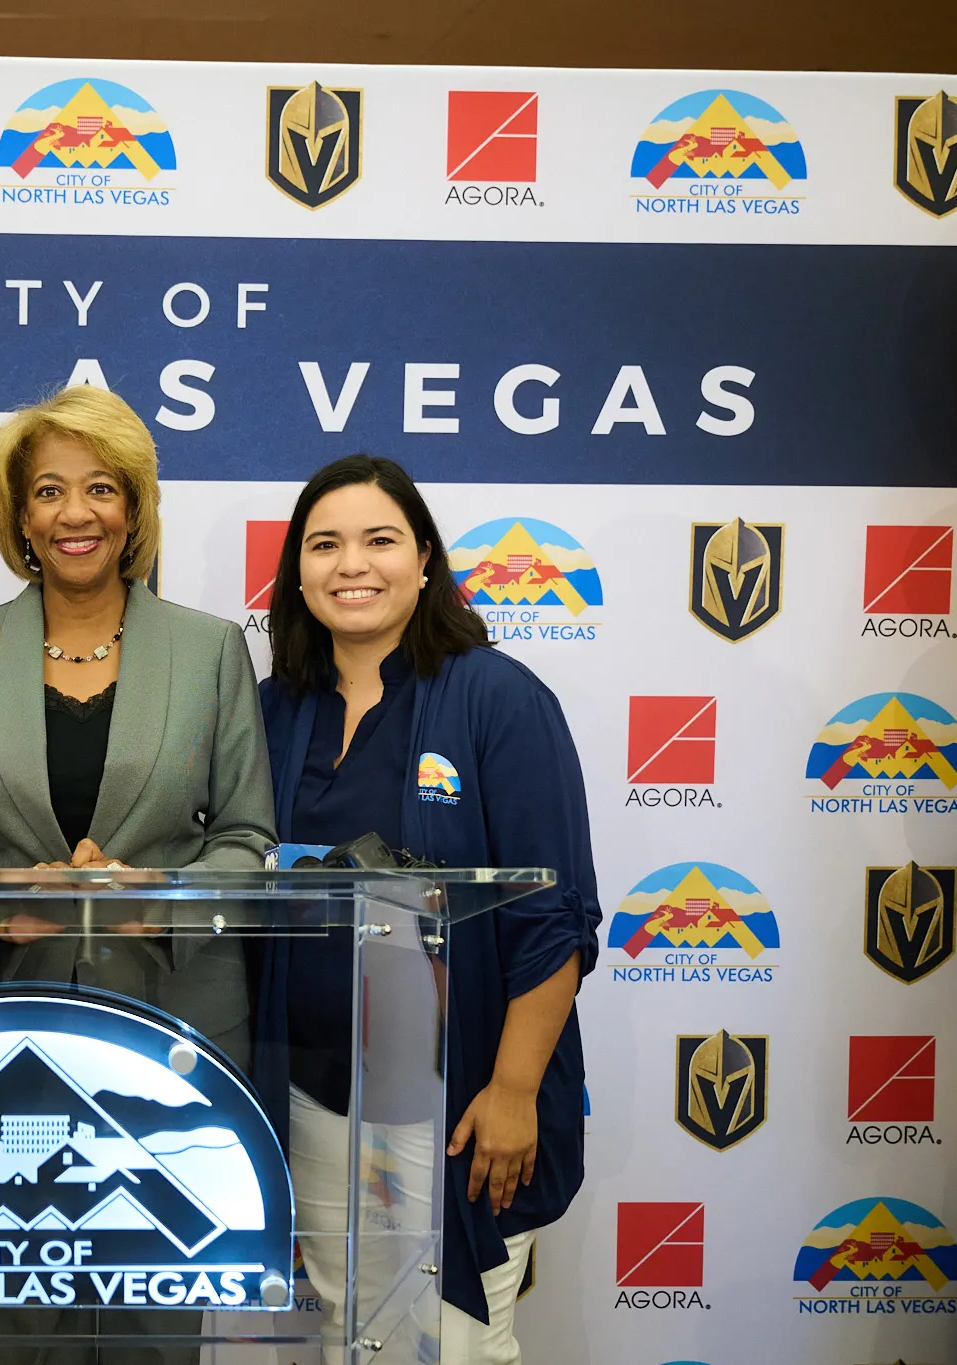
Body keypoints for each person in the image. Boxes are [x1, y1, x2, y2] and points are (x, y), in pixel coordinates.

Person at [0, 384, 277, 1364]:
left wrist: (158, 906)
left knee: (158, 1315)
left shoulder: (210, 649)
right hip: (9, 1018)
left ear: (133, 509)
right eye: (49, 490)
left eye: (100, 488)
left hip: (171, 1026)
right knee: (28, 1322)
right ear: (19, 516)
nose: (75, 513)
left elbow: (246, 835)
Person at [253, 455, 600, 1365]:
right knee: (350, 1335)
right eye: (325, 544)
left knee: (456, 1345)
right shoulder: (275, 711)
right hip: (315, 1096)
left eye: (379, 540)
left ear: (425, 560)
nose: (351, 564)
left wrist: (513, 1091)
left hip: (458, 1103)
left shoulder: (498, 696)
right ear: (298, 572)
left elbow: (555, 916)